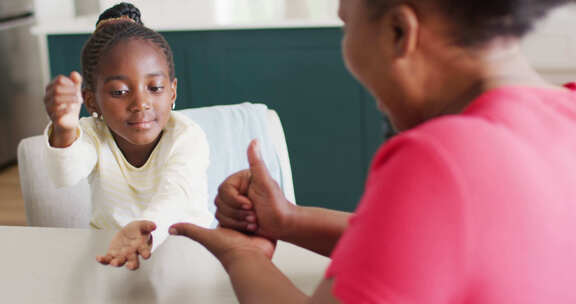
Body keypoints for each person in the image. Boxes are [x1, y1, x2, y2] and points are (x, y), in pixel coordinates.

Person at [169, 0, 576, 302]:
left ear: (400, 31)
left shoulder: (441, 157)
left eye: (346, 26)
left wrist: (243, 256)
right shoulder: (566, 114)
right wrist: (289, 221)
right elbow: (433, 245)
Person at [43, 2, 213, 271]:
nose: (140, 103)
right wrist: (64, 128)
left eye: (155, 87)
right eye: (120, 92)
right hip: (112, 257)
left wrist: (142, 231)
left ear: (172, 92)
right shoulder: (91, 135)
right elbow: (64, 175)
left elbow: (176, 193)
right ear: (91, 101)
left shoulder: (187, 136)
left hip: (187, 256)